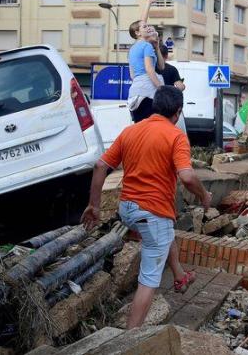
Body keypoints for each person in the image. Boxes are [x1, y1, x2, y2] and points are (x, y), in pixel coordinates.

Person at [81, 86, 212, 328]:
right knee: (148, 279)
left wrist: (94, 205)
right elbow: (187, 176)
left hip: (127, 209)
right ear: (178, 112)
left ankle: (180, 277)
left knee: (165, 230)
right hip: (151, 213)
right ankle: (130, 339)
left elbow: (100, 166)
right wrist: (204, 196)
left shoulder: (131, 131)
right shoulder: (176, 136)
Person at [127, 0, 165, 123]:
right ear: (137, 33)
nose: (148, 28)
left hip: (134, 93)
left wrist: (148, 3)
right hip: (148, 92)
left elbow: (132, 74)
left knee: (140, 128)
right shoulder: (147, 46)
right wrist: (161, 88)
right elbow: (149, 69)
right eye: (145, 27)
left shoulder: (132, 49)